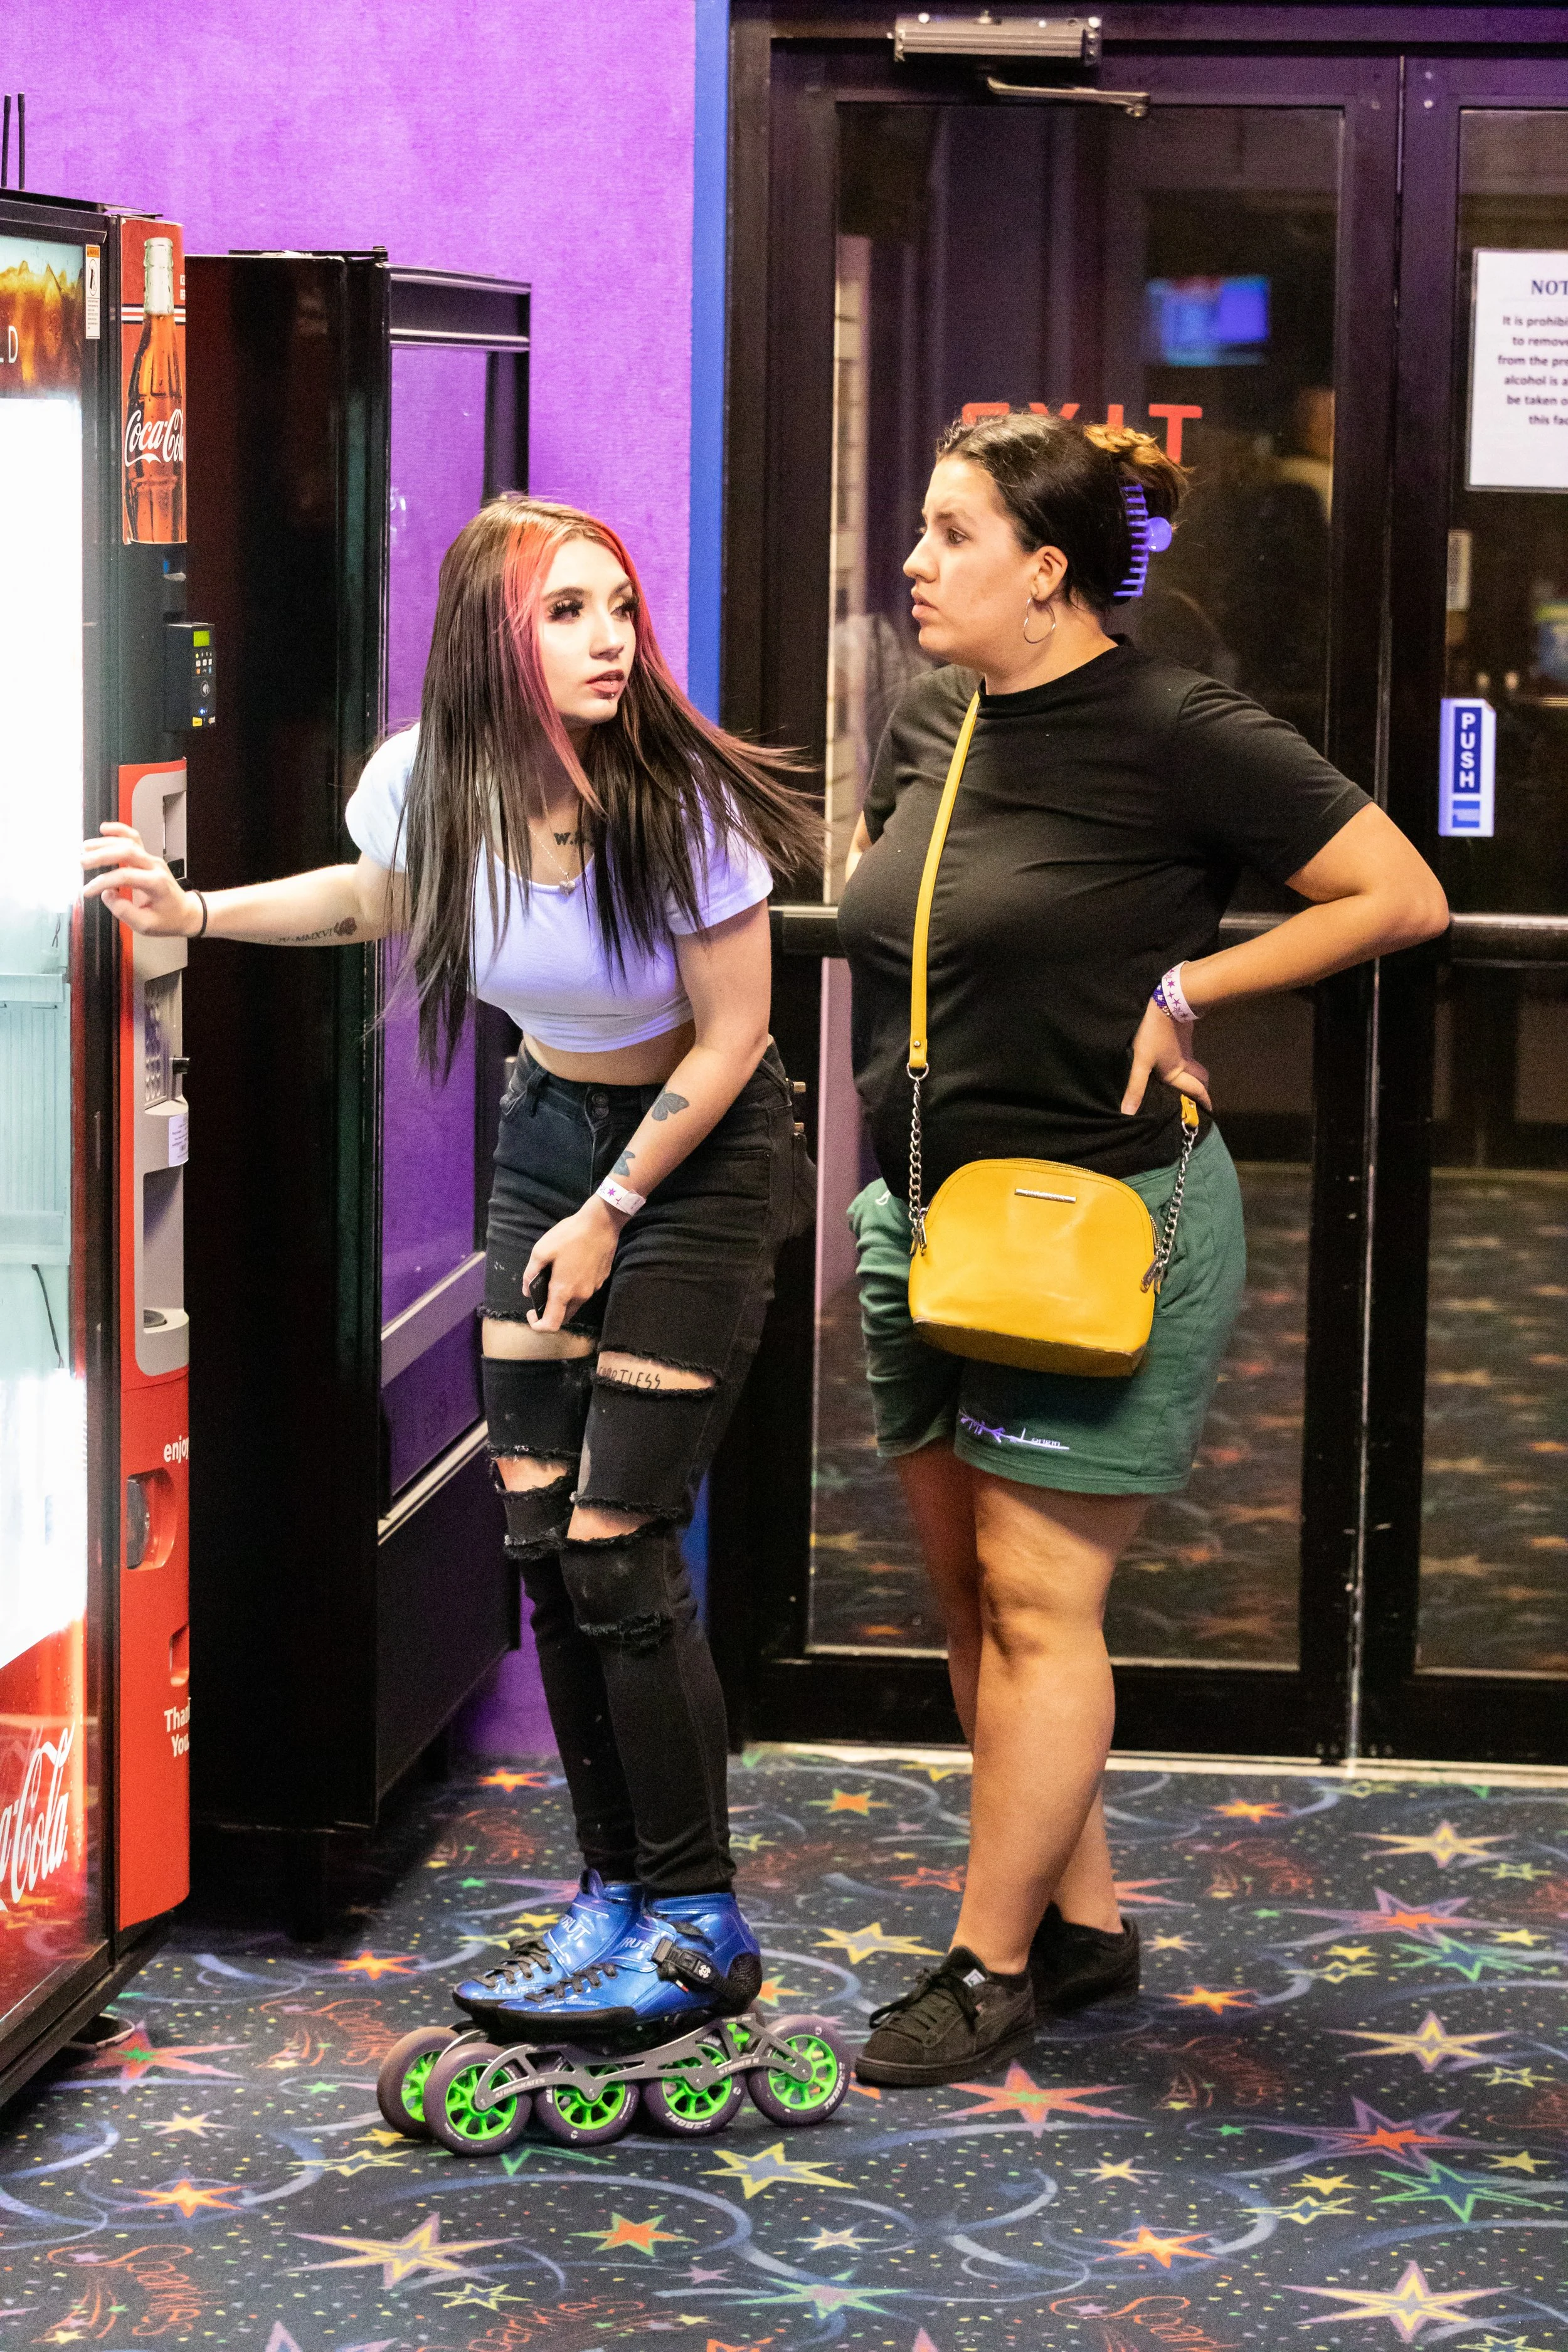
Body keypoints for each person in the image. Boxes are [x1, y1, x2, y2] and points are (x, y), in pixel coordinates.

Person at [83, 494, 818, 2046]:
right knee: (544, 1540)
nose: (610, 639)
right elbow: (378, 899)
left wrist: (614, 1205)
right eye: (567, 612)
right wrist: (193, 913)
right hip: (552, 1127)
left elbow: (741, 1033)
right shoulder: (426, 780)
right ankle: (613, 1894)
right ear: (495, 638)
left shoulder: (680, 798)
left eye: (617, 606)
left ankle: (697, 1920)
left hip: (695, 1155)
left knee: (621, 1541)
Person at [838, 413, 1448, 2087]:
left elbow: (1394, 892)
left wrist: (1193, 988)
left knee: (1041, 1596)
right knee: (971, 1593)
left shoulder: (1174, 723)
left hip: (1101, 1220)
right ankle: (1080, 1916)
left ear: (1045, 571)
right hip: (924, 1217)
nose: (914, 561)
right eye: (920, 526)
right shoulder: (928, 718)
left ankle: (989, 1961)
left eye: (950, 533)